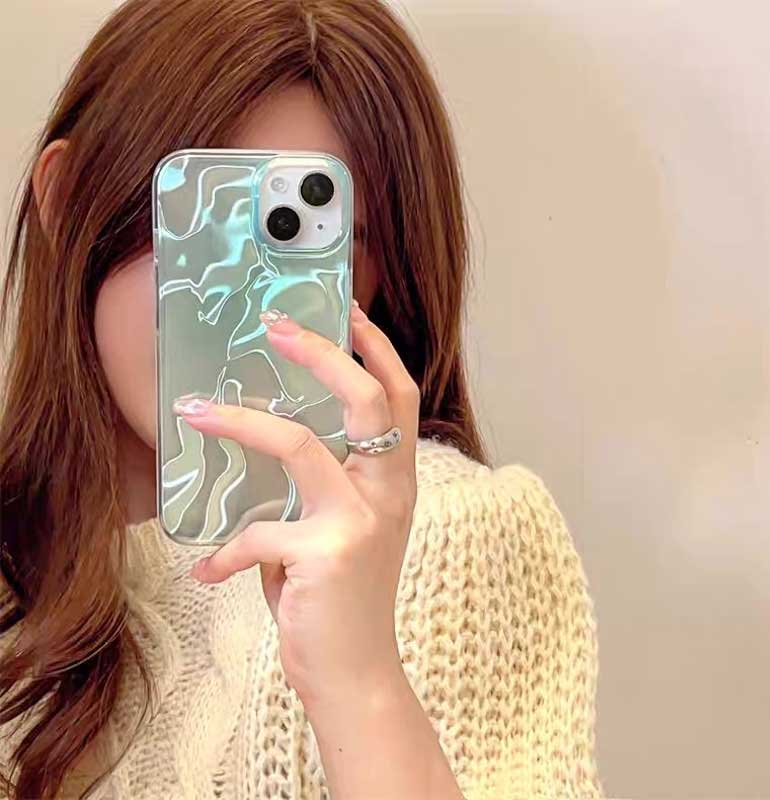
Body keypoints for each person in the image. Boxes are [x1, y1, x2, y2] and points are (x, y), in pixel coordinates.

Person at [0, 1, 603, 798]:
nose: (249, 299)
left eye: (309, 244)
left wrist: (360, 680)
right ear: (65, 199)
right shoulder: (18, 577)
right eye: (208, 224)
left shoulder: (445, 538)